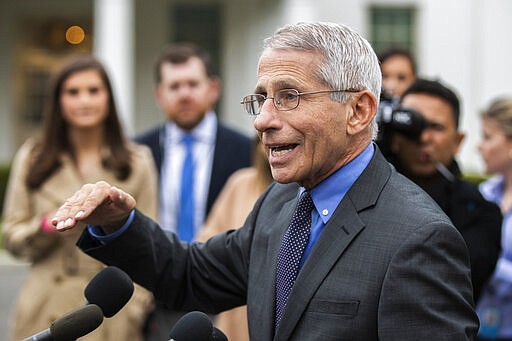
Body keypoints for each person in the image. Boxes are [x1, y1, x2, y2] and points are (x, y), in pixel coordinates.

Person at [53, 22, 478, 340]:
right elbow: (190, 275)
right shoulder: (281, 202)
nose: (263, 120)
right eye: (260, 99)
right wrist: (120, 223)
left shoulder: (419, 239)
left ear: (359, 111)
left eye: (289, 97)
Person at [2, 54, 158, 341]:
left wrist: (136, 307)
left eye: (94, 90)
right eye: (73, 92)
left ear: (108, 98)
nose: (84, 100)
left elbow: (150, 243)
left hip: (111, 311)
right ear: (58, 101)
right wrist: (47, 226)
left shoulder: (137, 161)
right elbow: (12, 235)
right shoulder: (34, 157)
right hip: (45, 307)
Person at [134, 43, 252, 340]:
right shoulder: (137, 153)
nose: (184, 94)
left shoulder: (247, 151)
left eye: (192, 84)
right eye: (174, 86)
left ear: (213, 88)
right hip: (156, 297)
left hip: (225, 295)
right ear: (159, 94)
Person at [385, 78, 502, 302]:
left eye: (435, 127)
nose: (423, 138)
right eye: (413, 124)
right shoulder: (366, 193)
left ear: (458, 141)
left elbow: (457, 284)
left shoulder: (480, 211)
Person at [194, 137, 272, 341]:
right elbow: (206, 241)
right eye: (261, 139)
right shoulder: (240, 183)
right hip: (236, 314)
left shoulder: (302, 191)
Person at [476, 97, 512, 340]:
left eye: (488, 137)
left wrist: (486, 264)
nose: (479, 146)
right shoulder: (484, 193)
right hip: (480, 328)